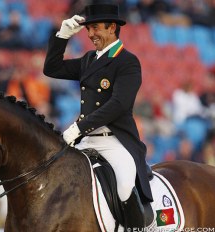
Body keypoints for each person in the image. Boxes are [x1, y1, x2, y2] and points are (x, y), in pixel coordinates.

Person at [43, 0, 156, 230]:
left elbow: (118, 104)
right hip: (86, 140)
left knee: (125, 186)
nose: (91, 34)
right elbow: (51, 68)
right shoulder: (88, 60)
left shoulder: (128, 62)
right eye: (88, 29)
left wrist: (79, 127)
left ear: (112, 27)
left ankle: (141, 228)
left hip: (115, 141)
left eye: (96, 28)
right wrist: (63, 35)